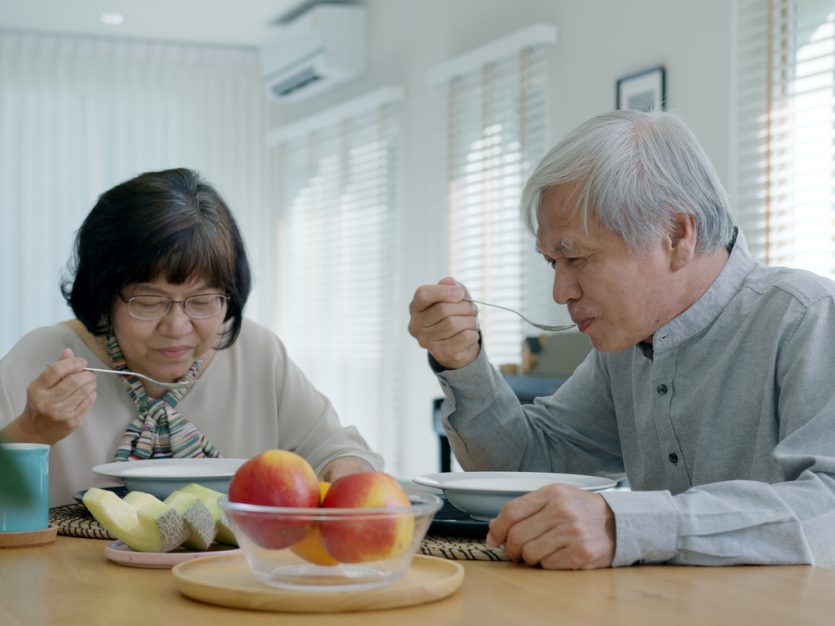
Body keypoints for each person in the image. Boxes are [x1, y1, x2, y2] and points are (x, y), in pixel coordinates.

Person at [408, 110, 835, 570]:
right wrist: (462, 361)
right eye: (553, 262)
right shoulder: (630, 345)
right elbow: (528, 462)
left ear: (676, 235)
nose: (561, 293)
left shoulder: (806, 317)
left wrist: (626, 525)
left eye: (575, 257)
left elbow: (827, 511)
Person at [0, 168, 382, 506]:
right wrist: (30, 433)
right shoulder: (44, 358)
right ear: (103, 295)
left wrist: (343, 470)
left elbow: (339, 450)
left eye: (202, 301)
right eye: (148, 302)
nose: (177, 327)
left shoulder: (256, 353)